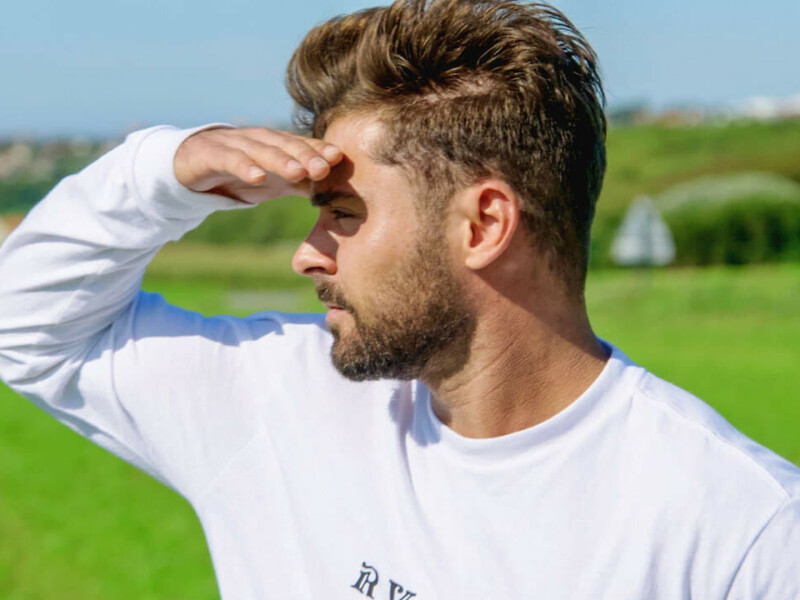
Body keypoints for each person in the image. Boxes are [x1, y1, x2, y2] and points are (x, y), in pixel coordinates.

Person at [0, 0, 798, 597]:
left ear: (484, 225)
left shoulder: (743, 530)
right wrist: (163, 171)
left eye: (342, 214)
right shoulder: (275, 400)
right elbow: (25, 327)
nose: (306, 253)